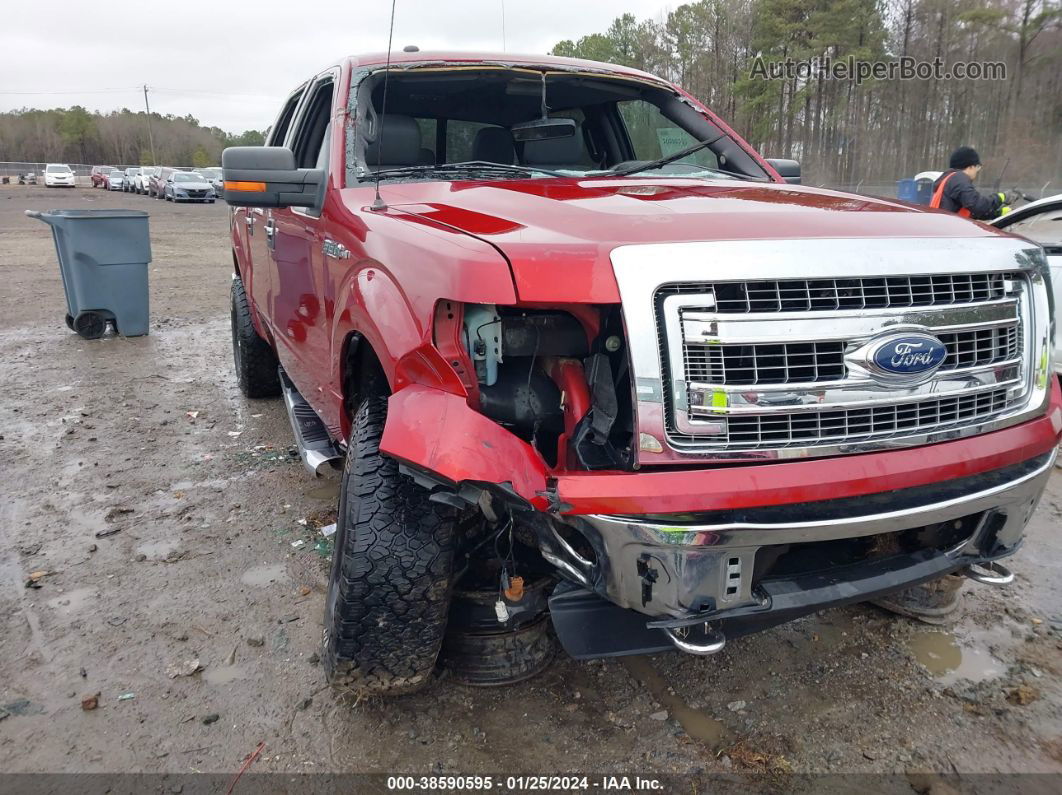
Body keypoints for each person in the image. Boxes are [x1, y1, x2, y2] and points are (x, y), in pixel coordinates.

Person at [930, 146, 1018, 220]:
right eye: (977, 167)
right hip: (950, 236)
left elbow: (971, 212)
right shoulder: (959, 178)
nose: (977, 171)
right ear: (970, 166)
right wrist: (1001, 197)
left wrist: (998, 213)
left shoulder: (948, 180)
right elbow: (978, 205)